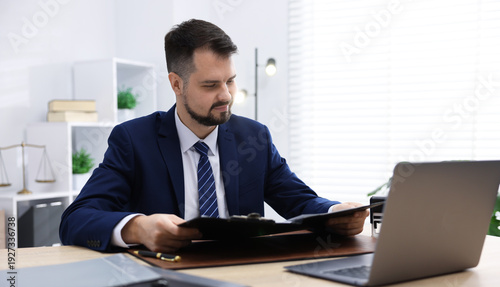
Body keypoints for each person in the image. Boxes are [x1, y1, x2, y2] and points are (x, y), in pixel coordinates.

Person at [59, 19, 369, 253]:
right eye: (210, 85)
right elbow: (76, 220)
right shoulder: (133, 139)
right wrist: (138, 228)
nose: (226, 96)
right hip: (166, 281)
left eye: (230, 81)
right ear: (176, 84)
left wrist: (335, 213)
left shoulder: (254, 137)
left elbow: (298, 200)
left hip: (245, 276)